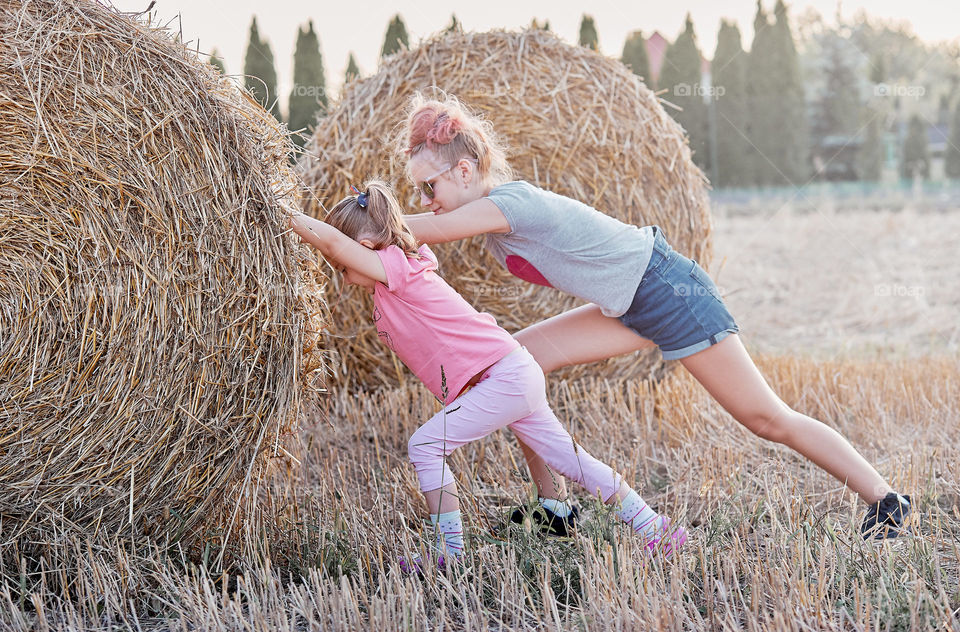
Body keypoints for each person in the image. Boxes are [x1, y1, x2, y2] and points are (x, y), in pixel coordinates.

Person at [397, 93, 912, 541]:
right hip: (628, 304)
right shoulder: (493, 223)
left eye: (429, 188)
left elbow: (423, 232)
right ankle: (551, 506)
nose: (426, 201)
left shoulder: (511, 204)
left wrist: (358, 226)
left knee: (766, 418)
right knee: (515, 364)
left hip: (668, 291)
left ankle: (886, 501)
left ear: (464, 171)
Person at [287, 181, 688, 570]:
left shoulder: (399, 269)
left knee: (425, 446)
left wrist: (278, 211)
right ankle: (657, 528)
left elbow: (334, 242)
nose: (340, 273)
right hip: (512, 372)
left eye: (342, 267)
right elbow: (342, 249)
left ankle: (450, 552)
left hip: (506, 376)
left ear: (369, 249)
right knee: (574, 462)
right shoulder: (395, 281)